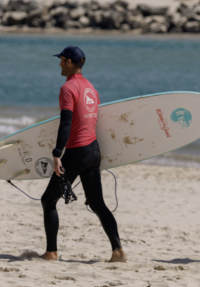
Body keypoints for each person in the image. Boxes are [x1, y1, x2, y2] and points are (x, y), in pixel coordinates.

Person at [40, 46, 126, 263]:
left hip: (77, 151)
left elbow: (66, 122)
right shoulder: (90, 87)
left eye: (61, 60)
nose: (59, 64)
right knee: (97, 203)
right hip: (93, 151)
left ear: (69, 62)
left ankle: (51, 252)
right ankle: (118, 250)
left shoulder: (67, 88)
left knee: (48, 200)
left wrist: (58, 153)